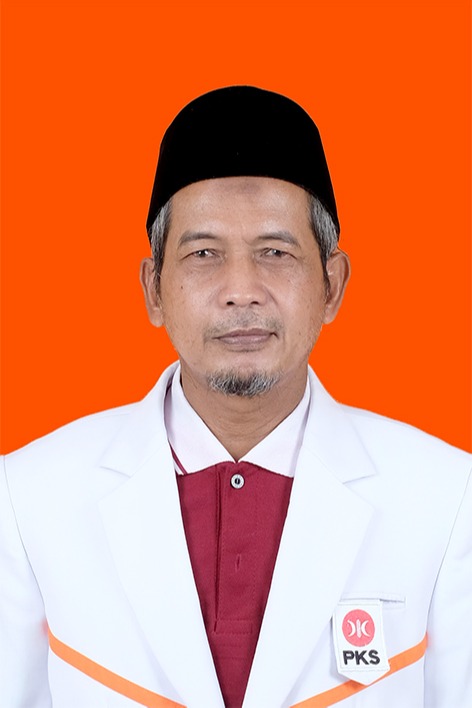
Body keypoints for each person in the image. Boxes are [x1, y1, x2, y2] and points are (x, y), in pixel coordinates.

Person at [0, 86, 470, 708]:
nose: (241, 290)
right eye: (203, 254)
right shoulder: (28, 497)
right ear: (153, 289)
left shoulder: (447, 499)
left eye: (275, 252)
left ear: (332, 285)